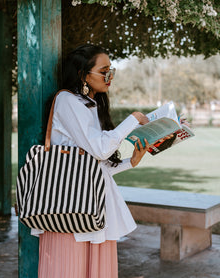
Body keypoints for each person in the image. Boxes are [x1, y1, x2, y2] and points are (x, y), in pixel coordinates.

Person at [34, 44, 150, 278]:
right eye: (104, 71)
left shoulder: (91, 105)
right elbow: (99, 148)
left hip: (93, 209)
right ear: (82, 74)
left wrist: (131, 161)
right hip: (69, 210)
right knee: (68, 269)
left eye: (112, 71)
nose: (110, 77)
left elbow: (92, 166)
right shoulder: (67, 101)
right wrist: (133, 120)